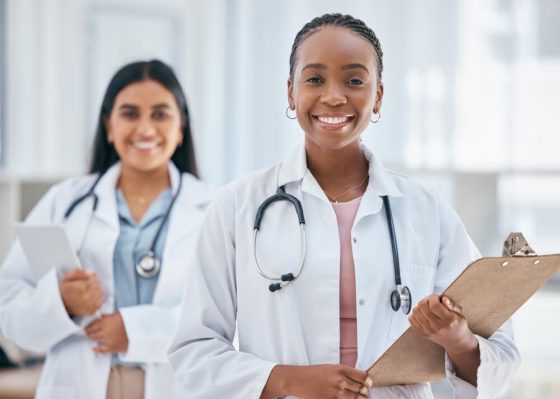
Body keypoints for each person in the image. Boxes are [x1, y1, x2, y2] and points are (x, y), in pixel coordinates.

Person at [168, 14, 519, 399]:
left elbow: (500, 355)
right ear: (291, 93)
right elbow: (194, 351)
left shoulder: (426, 211)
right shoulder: (238, 205)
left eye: (354, 80)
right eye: (314, 79)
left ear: (378, 96)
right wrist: (290, 379)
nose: (334, 96)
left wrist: (457, 339)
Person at [0, 59, 214, 399]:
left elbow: (234, 321)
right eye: (130, 114)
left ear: (181, 126)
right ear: (109, 126)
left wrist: (136, 331)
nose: (145, 129)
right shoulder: (66, 202)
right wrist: (62, 302)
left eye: (160, 114)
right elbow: (9, 314)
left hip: (178, 387)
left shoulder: (216, 209)